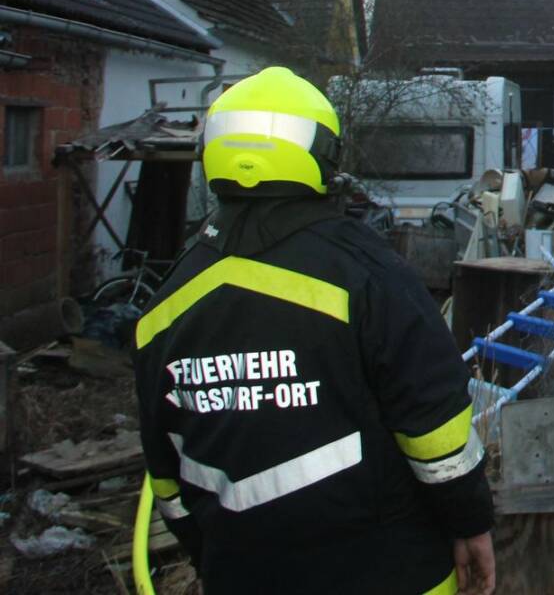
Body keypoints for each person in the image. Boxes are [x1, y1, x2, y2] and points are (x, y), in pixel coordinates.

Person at [133, 67, 496, 595]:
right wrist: (470, 521)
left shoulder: (162, 310)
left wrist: (219, 556)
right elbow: (436, 430)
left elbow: (167, 482)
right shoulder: (369, 274)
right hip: (391, 572)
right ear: (323, 154)